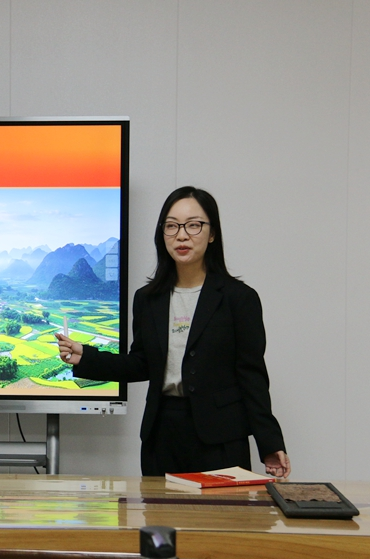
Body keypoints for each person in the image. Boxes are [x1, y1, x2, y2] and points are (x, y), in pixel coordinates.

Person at [55, 186, 290, 479]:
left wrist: (269, 443)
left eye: (194, 225)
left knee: (220, 511)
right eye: (172, 226)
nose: (182, 235)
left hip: (221, 439)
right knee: (160, 510)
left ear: (212, 233)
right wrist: (86, 357)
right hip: (161, 436)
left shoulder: (239, 299)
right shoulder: (148, 299)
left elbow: (252, 377)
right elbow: (141, 363)